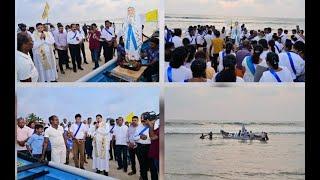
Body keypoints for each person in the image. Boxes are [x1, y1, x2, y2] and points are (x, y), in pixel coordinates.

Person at [134, 113, 152, 180]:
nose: (143, 122)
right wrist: (140, 137)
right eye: (142, 121)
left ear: (148, 120)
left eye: (144, 121)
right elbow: (134, 138)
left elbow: (155, 138)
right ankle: (144, 178)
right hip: (140, 148)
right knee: (142, 164)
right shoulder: (139, 127)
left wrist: (147, 138)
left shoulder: (152, 126)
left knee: (150, 166)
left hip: (149, 147)